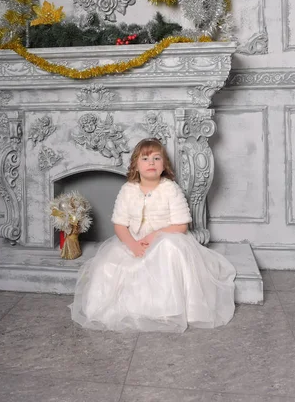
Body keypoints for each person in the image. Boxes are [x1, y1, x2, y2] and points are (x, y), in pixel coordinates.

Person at [70, 138, 236, 332]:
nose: (151, 163)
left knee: (168, 250)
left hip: (167, 237)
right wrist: (132, 244)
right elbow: (120, 225)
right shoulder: (128, 190)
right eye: (145, 158)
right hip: (134, 240)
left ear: (164, 165)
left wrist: (154, 236)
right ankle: (122, 309)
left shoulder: (170, 189)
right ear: (136, 166)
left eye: (157, 158)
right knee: (109, 264)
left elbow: (181, 225)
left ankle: (168, 309)